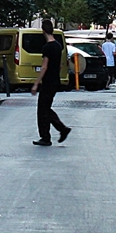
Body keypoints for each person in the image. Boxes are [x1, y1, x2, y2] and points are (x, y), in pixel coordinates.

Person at [32, 18, 71, 146]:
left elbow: (44, 66)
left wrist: (36, 83)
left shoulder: (47, 47)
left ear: (43, 31)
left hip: (48, 81)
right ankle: (59, 130)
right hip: (55, 80)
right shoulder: (58, 46)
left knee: (42, 109)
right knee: (46, 108)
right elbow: (59, 65)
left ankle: (48, 135)